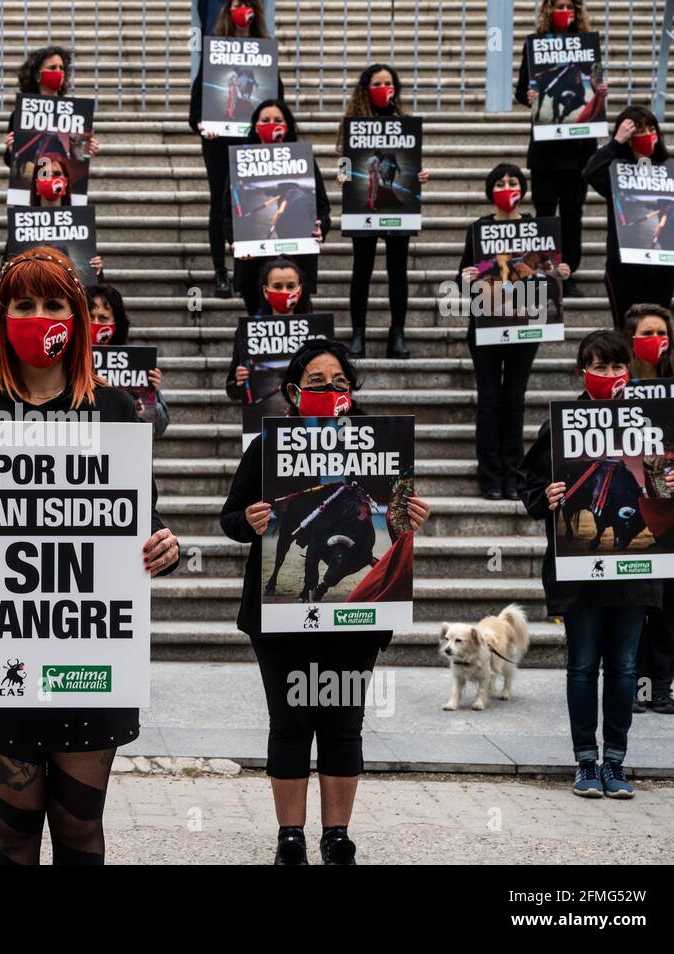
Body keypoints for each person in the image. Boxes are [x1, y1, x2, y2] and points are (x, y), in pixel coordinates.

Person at [0, 246, 181, 865]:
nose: (39, 316)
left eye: (53, 304)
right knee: (12, 832)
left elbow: (139, 518)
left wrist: (163, 545)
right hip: (1, 661)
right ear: (1, 317)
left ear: (78, 318)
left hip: (88, 662)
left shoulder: (116, 412)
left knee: (78, 830)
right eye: (24, 305)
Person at [221, 338, 432, 863]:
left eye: (339, 382)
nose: (330, 391)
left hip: (354, 620)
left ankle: (336, 837)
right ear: (293, 392)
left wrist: (414, 519)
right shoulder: (266, 449)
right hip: (282, 621)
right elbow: (229, 520)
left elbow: (394, 518)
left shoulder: (379, 446)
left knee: (343, 721)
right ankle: (289, 837)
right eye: (317, 383)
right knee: (290, 722)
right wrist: (249, 522)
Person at [518, 328, 674, 799]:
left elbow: (669, 494)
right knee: (582, 664)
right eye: (599, 367)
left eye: (617, 367)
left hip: (634, 573)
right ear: (581, 372)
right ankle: (585, 761)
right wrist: (545, 496)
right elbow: (527, 484)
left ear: (628, 372)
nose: (609, 375)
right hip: (580, 571)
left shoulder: (651, 424)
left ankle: (615, 760)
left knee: (626, 665)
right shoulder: (561, 424)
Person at [458, 163, 570, 499]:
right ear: (490, 190)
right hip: (487, 326)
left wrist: (559, 272)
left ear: (523, 188)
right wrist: (465, 278)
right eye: (500, 182)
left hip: (524, 325)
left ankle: (513, 474)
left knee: (515, 400)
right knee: (490, 401)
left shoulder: (538, 229)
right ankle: (491, 476)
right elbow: (465, 274)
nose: (507, 187)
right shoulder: (478, 229)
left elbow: (546, 272)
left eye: (513, 181)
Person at [624, 304, 674, 716]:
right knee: (637, 601)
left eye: (662, 332)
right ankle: (634, 683)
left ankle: (661, 687)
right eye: (648, 332)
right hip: (636, 508)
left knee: (668, 602)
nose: (658, 340)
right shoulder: (620, 388)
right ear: (632, 340)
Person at [187, 0, 282, 298]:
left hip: (253, 140)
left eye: (248, 3)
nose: (244, 10)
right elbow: (195, 110)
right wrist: (204, 126)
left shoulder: (265, 52)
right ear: (228, 10)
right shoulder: (214, 50)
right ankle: (220, 272)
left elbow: (277, 102)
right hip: (218, 142)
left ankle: (247, 271)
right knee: (221, 202)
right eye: (237, 3)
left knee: (252, 200)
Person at [337, 64, 430, 358]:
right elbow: (344, 157)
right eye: (377, 83)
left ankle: (397, 333)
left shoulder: (402, 122)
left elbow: (408, 161)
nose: (383, 88)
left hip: (397, 209)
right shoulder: (354, 122)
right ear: (366, 88)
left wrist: (419, 176)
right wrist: (343, 174)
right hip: (362, 204)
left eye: (388, 83)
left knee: (397, 272)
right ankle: (358, 335)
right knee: (361, 270)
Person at [514, 0, 603, 297]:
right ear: (547, 10)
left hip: (579, 148)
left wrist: (600, 90)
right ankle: (545, 271)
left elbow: (593, 84)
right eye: (558, 5)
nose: (564, 11)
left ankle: (569, 272)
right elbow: (521, 91)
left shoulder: (588, 46)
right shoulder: (534, 45)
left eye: (569, 6)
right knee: (545, 214)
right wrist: (529, 96)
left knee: (572, 213)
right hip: (546, 150)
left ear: (578, 12)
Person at [583, 106, 674, 329]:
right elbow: (591, 172)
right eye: (638, 130)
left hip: (662, 267)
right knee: (626, 330)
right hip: (624, 267)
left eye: (651, 128)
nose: (646, 134)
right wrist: (615, 143)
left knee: (658, 327)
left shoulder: (667, 171)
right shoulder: (615, 173)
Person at [235, 98, 329, 311]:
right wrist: (234, 240)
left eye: (278, 119)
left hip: (297, 259)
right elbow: (226, 212)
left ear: (287, 125)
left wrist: (321, 227)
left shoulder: (304, 161)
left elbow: (322, 207)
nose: (272, 124)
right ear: (255, 126)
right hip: (253, 262)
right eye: (265, 120)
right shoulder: (240, 162)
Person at [225, 257, 312, 402]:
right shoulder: (248, 331)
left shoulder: (315, 330)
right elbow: (232, 389)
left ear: (300, 289)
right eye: (277, 286)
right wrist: (241, 381)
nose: (284, 292)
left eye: (290, 286)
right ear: (266, 291)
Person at [87, 283, 169, 437]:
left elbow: (157, 428)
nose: (95, 324)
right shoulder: (65, 361)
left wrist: (150, 396)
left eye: (103, 318)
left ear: (117, 323)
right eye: (90, 317)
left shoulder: (134, 363)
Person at [2, 46, 102, 171]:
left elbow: (75, 154)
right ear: (38, 76)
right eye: (53, 68)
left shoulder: (74, 114)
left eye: (61, 68)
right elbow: (9, 161)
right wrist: (12, 148)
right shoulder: (20, 114)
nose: (59, 72)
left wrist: (87, 148)